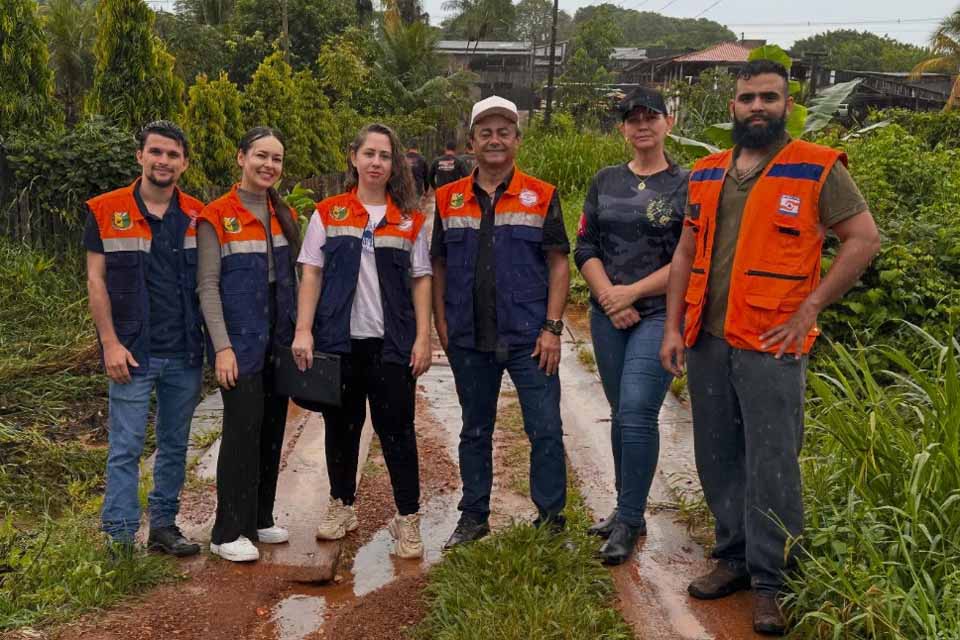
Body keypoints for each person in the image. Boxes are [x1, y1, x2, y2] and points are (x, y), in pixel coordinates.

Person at [659, 60, 880, 635]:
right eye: (748, 97)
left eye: (769, 97)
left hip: (771, 341)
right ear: (732, 106)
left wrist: (811, 306)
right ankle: (732, 555)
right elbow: (684, 255)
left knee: (772, 459)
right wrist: (671, 329)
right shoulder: (706, 172)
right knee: (716, 451)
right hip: (706, 338)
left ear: (787, 104)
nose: (757, 106)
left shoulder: (816, 168)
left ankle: (772, 579)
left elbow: (862, 239)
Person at [432, 96, 571, 549]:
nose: (495, 139)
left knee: (545, 427)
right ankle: (474, 517)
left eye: (504, 131)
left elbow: (558, 265)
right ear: (471, 141)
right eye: (485, 132)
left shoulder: (542, 195)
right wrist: (441, 325)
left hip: (531, 337)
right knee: (475, 429)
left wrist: (552, 328)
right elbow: (438, 266)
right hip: (468, 336)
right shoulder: (446, 199)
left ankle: (551, 520)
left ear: (517, 139)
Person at [293, 123, 432, 559]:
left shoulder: (410, 220)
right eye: (369, 153)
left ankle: (407, 518)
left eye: (385, 156)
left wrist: (423, 338)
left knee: (397, 433)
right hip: (339, 342)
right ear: (353, 157)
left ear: (394, 165)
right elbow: (311, 273)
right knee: (341, 428)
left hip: (391, 345)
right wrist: (303, 329)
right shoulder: (328, 213)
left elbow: (421, 279)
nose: (376, 162)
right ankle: (342, 505)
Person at [574, 87, 687, 566]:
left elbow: (689, 255)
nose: (642, 125)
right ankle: (626, 511)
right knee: (621, 412)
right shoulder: (604, 181)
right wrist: (608, 297)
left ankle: (629, 518)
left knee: (639, 411)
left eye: (651, 116)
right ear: (622, 129)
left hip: (660, 313)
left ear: (669, 123)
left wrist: (632, 293)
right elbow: (586, 246)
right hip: (608, 314)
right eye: (632, 118)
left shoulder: (687, 183)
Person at [85, 120, 204, 557]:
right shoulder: (105, 210)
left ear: (184, 163)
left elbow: (207, 282)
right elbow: (96, 282)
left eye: (173, 155)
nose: (163, 161)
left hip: (184, 351)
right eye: (156, 152)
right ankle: (118, 535)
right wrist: (110, 343)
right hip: (132, 352)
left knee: (174, 443)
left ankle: (164, 527)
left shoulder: (196, 215)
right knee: (126, 446)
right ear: (140, 156)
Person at [197, 127, 301, 563]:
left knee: (273, 429)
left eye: (276, 159)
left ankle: (260, 517)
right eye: (261, 156)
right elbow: (207, 285)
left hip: (278, 339)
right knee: (242, 431)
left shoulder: (284, 213)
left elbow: (296, 276)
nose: (269, 166)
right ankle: (226, 531)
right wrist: (221, 347)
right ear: (241, 157)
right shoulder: (215, 215)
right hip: (238, 344)